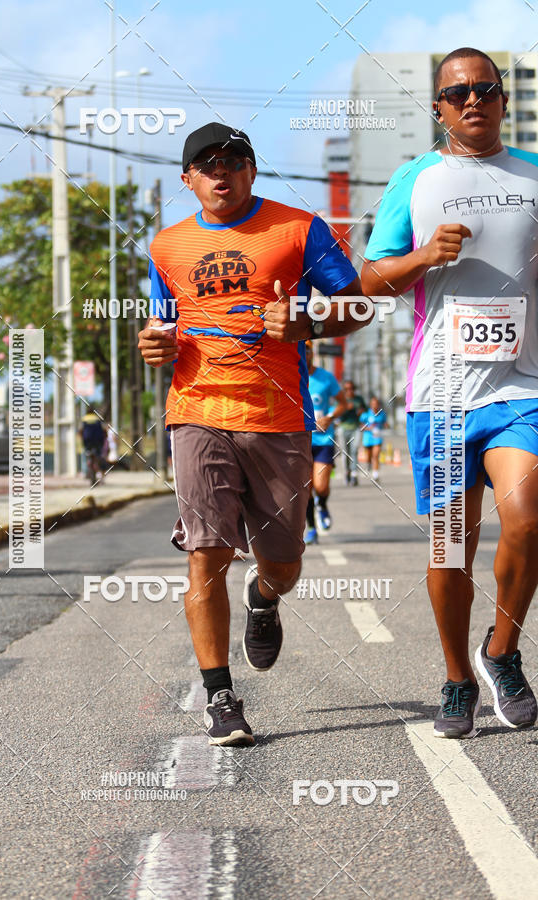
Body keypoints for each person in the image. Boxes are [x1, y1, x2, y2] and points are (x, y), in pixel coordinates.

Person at [138, 122, 370, 746]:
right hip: (198, 411)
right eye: (208, 163)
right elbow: (164, 326)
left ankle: (264, 598)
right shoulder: (167, 246)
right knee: (204, 554)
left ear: (251, 170)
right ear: (187, 179)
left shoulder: (299, 229)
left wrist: (309, 318)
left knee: (284, 563)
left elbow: (358, 305)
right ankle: (220, 697)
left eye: (236, 160)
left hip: (279, 418)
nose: (223, 171)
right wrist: (154, 345)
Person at [361, 47, 538, 739]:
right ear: (438, 108)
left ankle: (501, 651)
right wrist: (422, 257)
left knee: (526, 517)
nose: (474, 100)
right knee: (449, 547)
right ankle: (457, 677)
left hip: (522, 385)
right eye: (459, 92)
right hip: (443, 393)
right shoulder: (417, 179)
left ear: (503, 100)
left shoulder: (533, 176)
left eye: (487, 89)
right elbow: (371, 282)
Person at [304, 341, 346, 543]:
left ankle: (322, 504)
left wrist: (329, 417)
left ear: (313, 352)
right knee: (305, 488)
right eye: (301, 349)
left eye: (308, 349)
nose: (305, 353)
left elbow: (343, 403)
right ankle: (311, 528)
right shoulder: (290, 376)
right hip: (299, 441)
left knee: (320, 487)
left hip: (322, 440)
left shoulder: (326, 378)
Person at [339, 380, 366, 485]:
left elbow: (365, 409)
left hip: (356, 427)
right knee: (345, 452)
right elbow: (338, 415)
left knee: (354, 450)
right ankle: (347, 472)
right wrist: (346, 409)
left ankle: (354, 474)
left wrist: (361, 412)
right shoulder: (341, 399)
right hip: (343, 428)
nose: (349, 391)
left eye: (351, 389)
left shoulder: (358, 399)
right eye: (346, 389)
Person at [359, 396, 386, 482]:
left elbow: (385, 423)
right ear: (370, 405)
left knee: (376, 455)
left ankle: (375, 474)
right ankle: (369, 463)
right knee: (368, 457)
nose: (375, 405)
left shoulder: (382, 414)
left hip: (377, 438)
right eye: (373, 404)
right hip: (367, 438)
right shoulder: (366, 414)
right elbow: (361, 426)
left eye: (376, 404)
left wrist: (385, 426)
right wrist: (368, 428)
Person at [79, 408, 107, 484]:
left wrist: (82, 439)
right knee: (98, 456)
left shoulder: (84, 419)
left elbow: (80, 430)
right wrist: (104, 439)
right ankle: (98, 468)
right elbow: (104, 430)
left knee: (87, 455)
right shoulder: (98, 419)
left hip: (87, 441)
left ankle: (88, 470)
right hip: (98, 441)